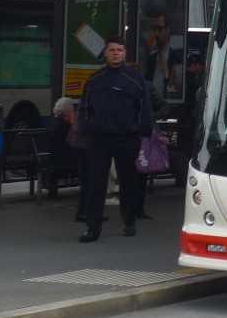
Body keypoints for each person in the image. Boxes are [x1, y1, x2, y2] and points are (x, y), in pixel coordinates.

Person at [76, 37, 153, 243]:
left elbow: (145, 108)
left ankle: (129, 222)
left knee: (128, 182)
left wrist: (142, 132)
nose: (116, 53)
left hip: (126, 139)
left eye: (119, 49)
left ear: (125, 53)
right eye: (112, 50)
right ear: (106, 52)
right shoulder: (94, 80)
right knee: (96, 183)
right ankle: (92, 228)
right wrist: (87, 129)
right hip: (98, 139)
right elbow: (84, 107)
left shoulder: (135, 80)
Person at [126, 62, 170, 221]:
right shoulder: (148, 86)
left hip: (128, 135)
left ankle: (131, 208)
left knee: (129, 172)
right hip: (145, 134)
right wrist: (151, 116)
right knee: (142, 172)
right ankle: (138, 208)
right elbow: (164, 106)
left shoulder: (124, 87)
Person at [143, 17, 182, 101]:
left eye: (160, 30)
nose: (157, 34)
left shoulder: (176, 58)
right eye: (155, 30)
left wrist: (166, 74)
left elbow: (177, 90)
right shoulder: (151, 59)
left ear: (167, 31)